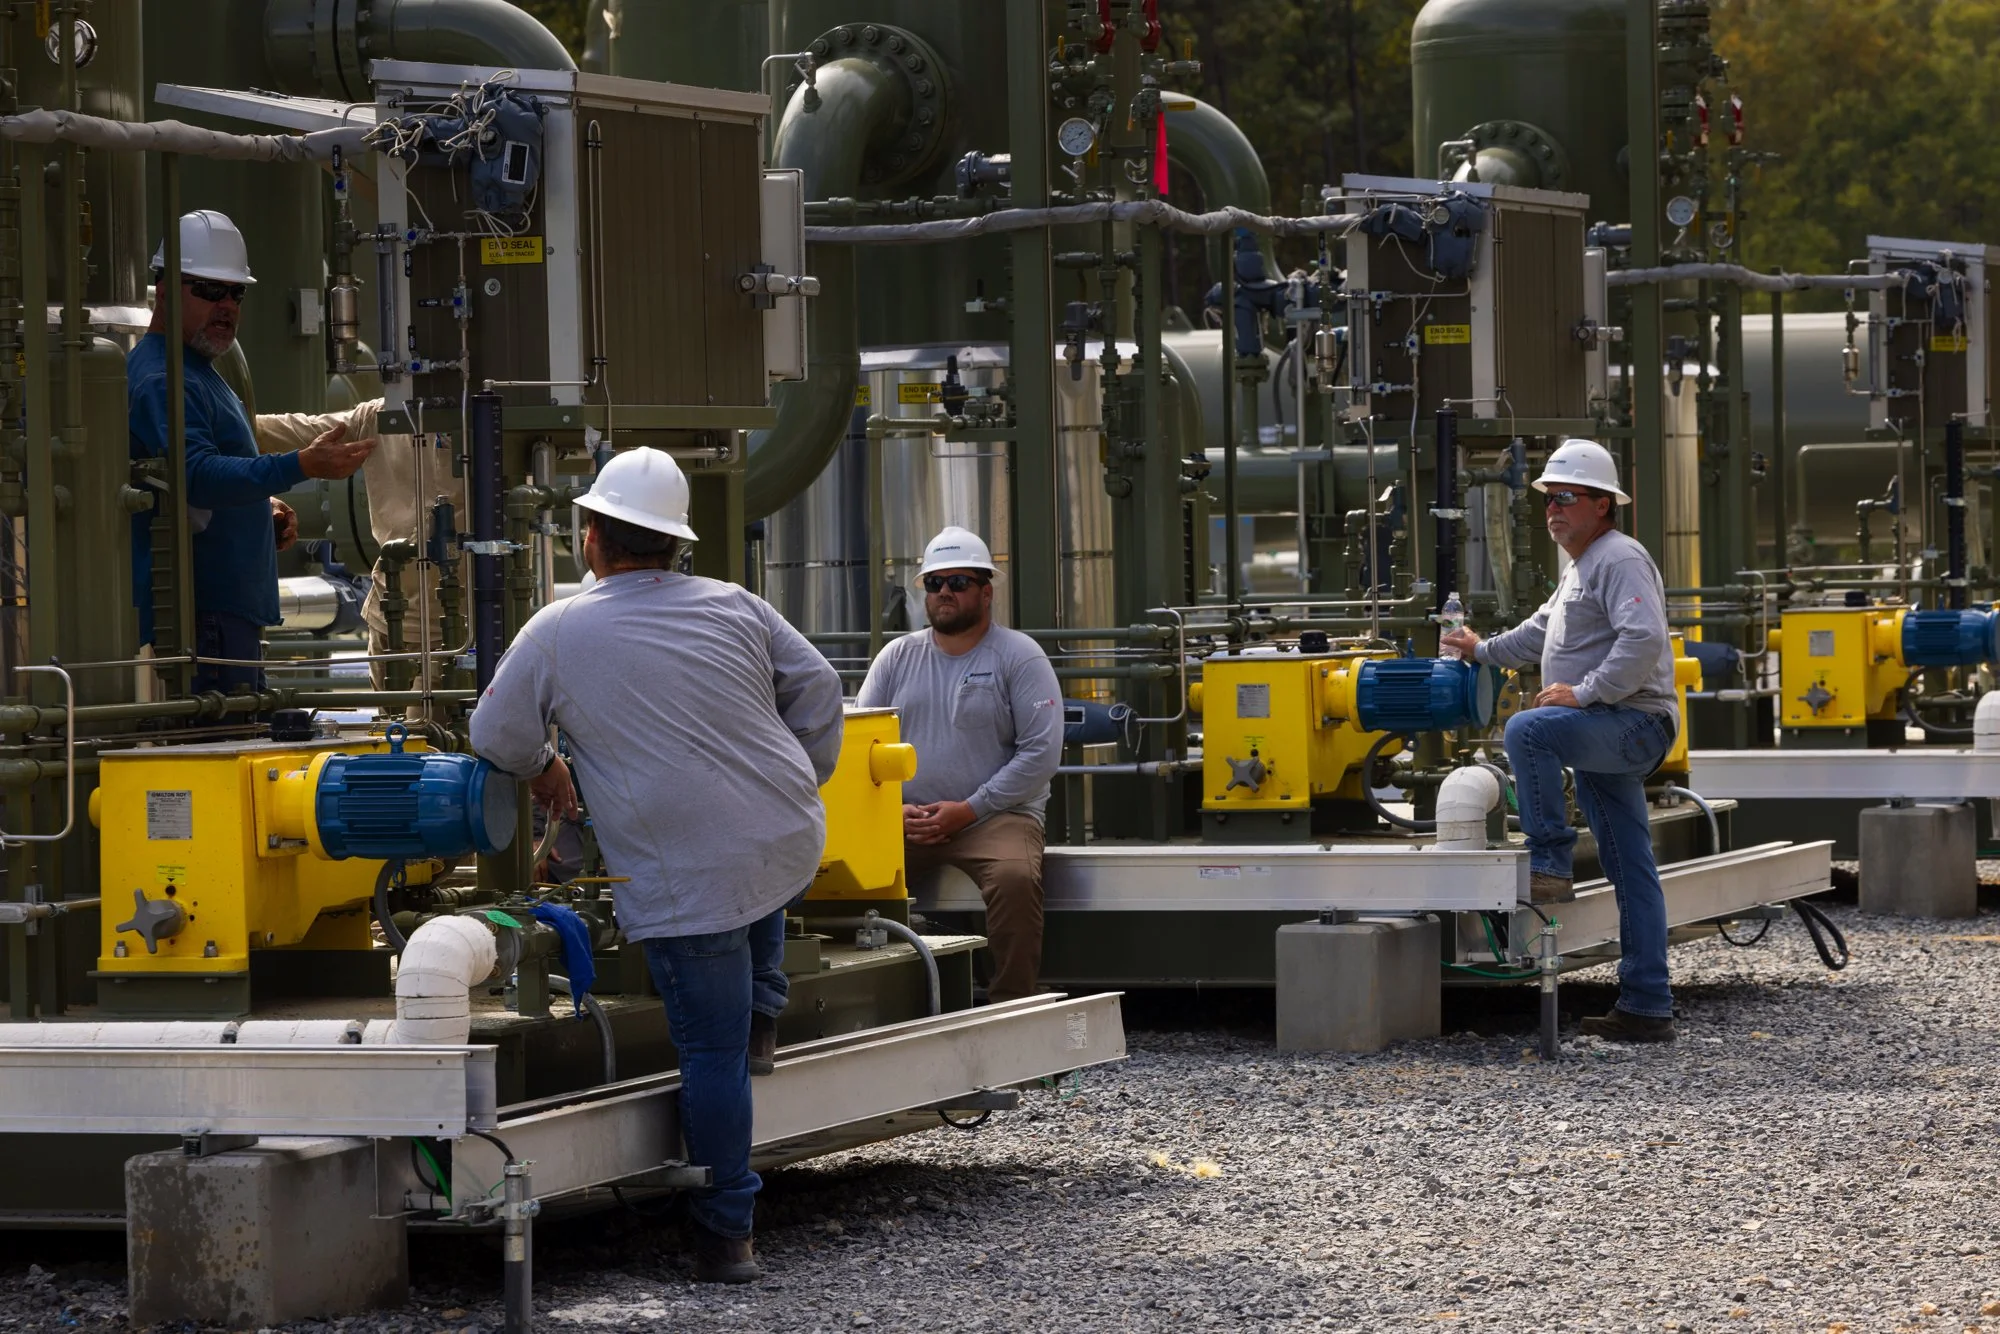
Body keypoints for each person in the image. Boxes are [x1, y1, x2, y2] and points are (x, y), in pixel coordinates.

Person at [469, 446, 843, 1282]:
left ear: (592, 537)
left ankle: (727, 1233)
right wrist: (796, 772)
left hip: (690, 870)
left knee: (707, 1057)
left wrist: (545, 768)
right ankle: (764, 1006)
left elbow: (494, 736)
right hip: (784, 831)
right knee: (757, 891)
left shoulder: (560, 627)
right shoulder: (737, 604)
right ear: (675, 542)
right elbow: (819, 688)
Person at [1441, 439, 1680, 1043]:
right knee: (1632, 870)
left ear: (1603, 505)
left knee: (1529, 728)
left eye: (1566, 498)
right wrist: (1481, 650)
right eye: (1549, 499)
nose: (1553, 510)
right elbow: (1539, 633)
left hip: (1633, 722)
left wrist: (1585, 692)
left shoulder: (1620, 558)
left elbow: (1644, 639)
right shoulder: (1581, 567)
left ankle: (1550, 860)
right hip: (1610, 728)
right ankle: (1646, 1007)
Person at [129, 210, 374, 693]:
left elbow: (193, 481)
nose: (226, 306)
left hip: (225, 611)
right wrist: (300, 464)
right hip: (204, 616)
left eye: (235, 292)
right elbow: (193, 474)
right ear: (163, 289)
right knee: (215, 746)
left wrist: (261, 505)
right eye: (208, 290)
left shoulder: (196, 370)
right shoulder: (163, 377)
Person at [856, 526, 1063, 1003]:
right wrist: (891, 812)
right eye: (934, 583)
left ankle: (1009, 1004)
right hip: (907, 818)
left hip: (997, 816)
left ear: (985, 591)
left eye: (958, 582)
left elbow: (1040, 754)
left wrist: (969, 809)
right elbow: (861, 747)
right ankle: (875, 999)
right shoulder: (896, 658)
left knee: (1014, 879)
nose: (944, 592)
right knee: (840, 875)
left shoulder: (1019, 656)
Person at [253, 400, 453, 696]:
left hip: (452, 630)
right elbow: (289, 431)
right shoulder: (379, 417)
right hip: (389, 620)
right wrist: (218, 412)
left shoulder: (480, 418)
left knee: (419, 734)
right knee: (394, 730)